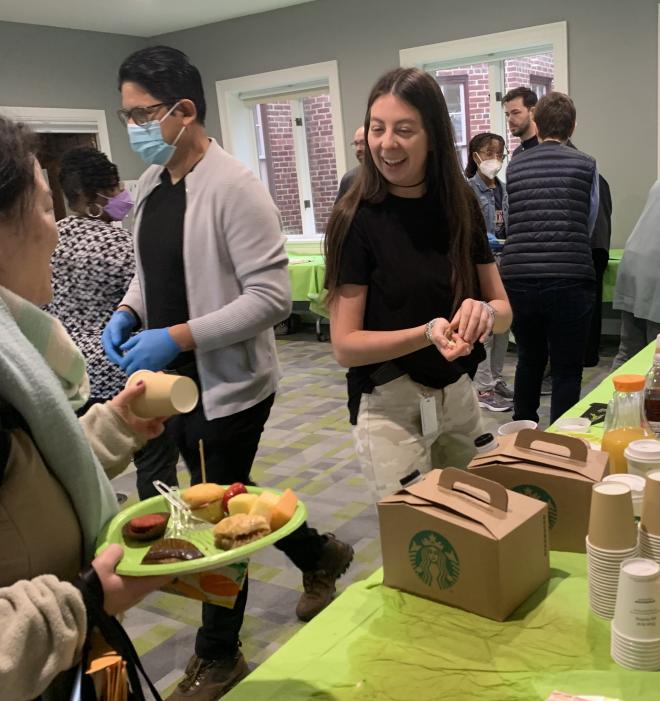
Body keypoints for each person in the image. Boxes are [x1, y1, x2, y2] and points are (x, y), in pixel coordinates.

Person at [103, 46, 353, 700]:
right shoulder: (153, 188)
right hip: (169, 382)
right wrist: (130, 313)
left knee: (211, 518)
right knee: (224, 494)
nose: (132, 125)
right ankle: (320, 552)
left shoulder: (236, 185)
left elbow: (271, 299)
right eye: (124, 113)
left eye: (142, 114)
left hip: (230, 385)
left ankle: (219, 654)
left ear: (185, 111)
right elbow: (149, 272)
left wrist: (177, 335)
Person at [0, 115, 169, 701]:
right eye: (43, 208)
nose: (54, 230)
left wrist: (113, 425)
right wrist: (85, 599)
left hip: (64, 657)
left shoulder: (17, 357)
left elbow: (33, 473)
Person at [324, 67, 512, 498]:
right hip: (390, 402)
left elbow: (503, 311)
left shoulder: (460, 201)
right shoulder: (355, 218)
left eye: (403, 130)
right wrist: (428, 333)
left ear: (433, 136)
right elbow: (345, 345)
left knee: (478, 517)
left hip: (457, 392)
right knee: (422, 539)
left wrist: (482, 311)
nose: (386, 144)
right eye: (377, 128)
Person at [501, 92, 599, 424]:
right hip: (570, 276)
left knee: (529, 358)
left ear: (537, 123)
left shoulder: (514, 166)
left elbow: (511, 219)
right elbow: (589, 219)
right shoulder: (586, 164)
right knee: (567, 368)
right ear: (572, 126)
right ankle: (560, 439)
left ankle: (523, 431)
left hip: (518, 277)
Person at [47, 147, 136, 407]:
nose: (123, 194)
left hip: (66, 369)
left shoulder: (50, 237)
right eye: (114, 189)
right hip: (117, 368)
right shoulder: (119, 243)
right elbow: (146, 303)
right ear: (91, 198)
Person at [465, 132, 513, 412]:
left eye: (500, 154)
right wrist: (482, 238)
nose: (495, 160)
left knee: (503, 324)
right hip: (481, 265)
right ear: (476, 156)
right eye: (489, 153)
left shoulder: (503, 189)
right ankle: (482, 389)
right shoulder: (468, 190)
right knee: (485, 327)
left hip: (505, 262)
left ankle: (495, 379)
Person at [612, 179, 660, 368]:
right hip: (655, 270)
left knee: (629, 353)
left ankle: (613, 397)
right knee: (655, 359)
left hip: (635, 261)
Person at [503, 86, 539, 156]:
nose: (509, 119)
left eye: (515, 113)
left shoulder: (546, 150)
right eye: (507, 114)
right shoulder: (517, 153)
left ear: (533, 112)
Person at [336, 126, 365, 200]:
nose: (358, 149)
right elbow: (339, 210)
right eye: (356, 144)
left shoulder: (390, 176)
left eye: (363, 143)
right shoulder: (349, 178)